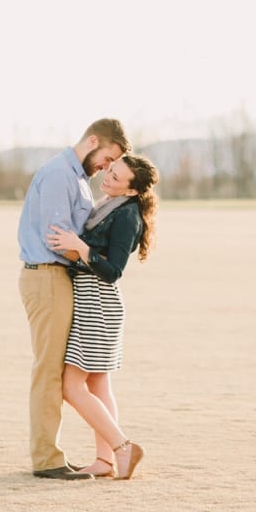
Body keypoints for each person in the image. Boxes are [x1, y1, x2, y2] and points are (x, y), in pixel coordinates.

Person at [16, 118, 129, 480]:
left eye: (112, 165)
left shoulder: (78, 179)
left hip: (62, 280)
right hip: (47, 276)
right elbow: (57, 240)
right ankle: (47, 459)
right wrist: (94, 256)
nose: (106, 167)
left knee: (67, 373)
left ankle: (99, 455)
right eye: (107, 157)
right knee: (49, 372)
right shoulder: (59, 175)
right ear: (93, 141)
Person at [45, 153, 159, 479]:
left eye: (116, 177)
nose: (107, 176)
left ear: (132, 191)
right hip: (91, 300)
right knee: (98, 384)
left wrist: (78, 247)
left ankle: (123, 447)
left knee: (72, 386)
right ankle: (106, 461)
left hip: (98, 303)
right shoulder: (110, 205)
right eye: (110, 170)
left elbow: (112, 271)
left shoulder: (127, 216)